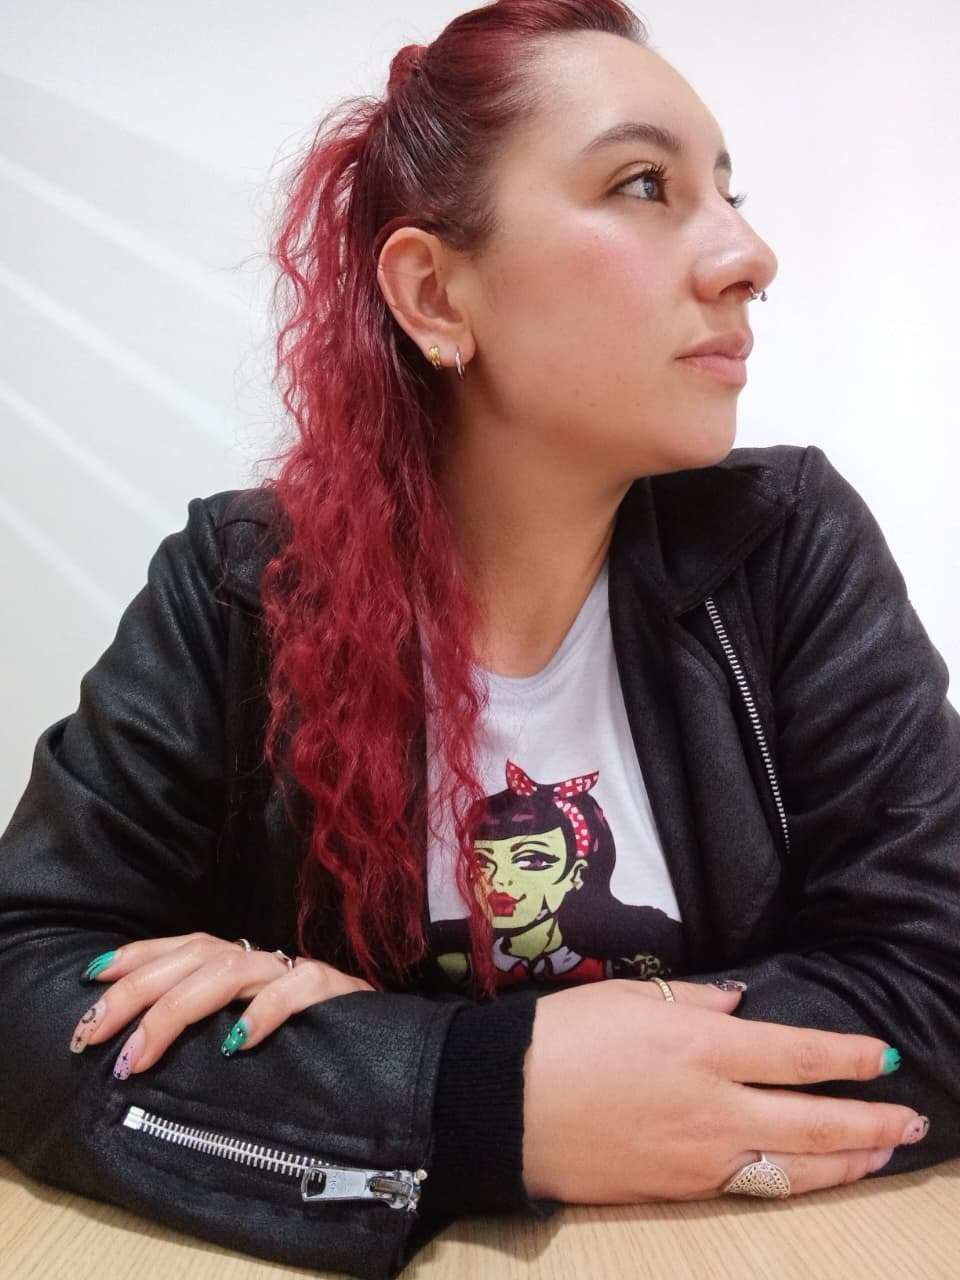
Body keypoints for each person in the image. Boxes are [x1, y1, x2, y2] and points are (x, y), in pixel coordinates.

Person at [0, 2, 957, 1277]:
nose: (749, 255)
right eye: (643, 184)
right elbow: (25, 985)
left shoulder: (783, 552)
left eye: (728, 194)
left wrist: (386, 1055)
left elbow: (937, 975)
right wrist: (481, 1096)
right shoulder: (241, 588)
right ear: (434, 292)